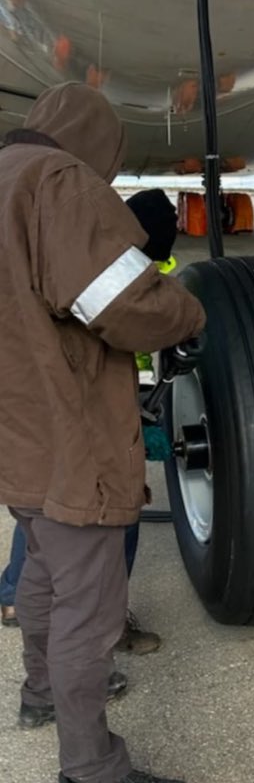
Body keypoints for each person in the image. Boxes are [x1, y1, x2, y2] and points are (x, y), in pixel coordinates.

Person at [0, 83, 206, 783]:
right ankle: (92, 767)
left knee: (40, 572)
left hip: (17, 432)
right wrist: (187, 315)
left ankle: (39, 697)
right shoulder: (57, 181)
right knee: (89, 607)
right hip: (68, 431)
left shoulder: (4, 178)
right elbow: (121, 302)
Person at [1, 188, 181, 656]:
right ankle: (106, 623)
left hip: (41, 407)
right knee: (118, 511)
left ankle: (14, 598)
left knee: (43, 503)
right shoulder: (113, 280)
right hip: (86, 409)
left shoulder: (75, 255)